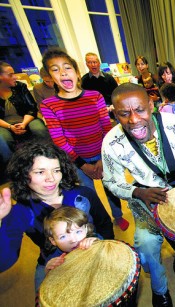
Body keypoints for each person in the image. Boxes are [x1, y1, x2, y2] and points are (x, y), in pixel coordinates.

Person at [101, 83, 175, 307]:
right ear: (114, 113)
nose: (133, 120)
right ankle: (160, 290)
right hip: (144, 199)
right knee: (146, 247)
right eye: (123, 113)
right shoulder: (111, 142)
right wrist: (137, 191)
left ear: (151, 105)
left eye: (140, 110)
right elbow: (110, 181)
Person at [0, 142, 114, 290]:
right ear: (23, 174)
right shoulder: (21, 212)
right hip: (52, 262)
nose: (51, 178)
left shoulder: (83, 194)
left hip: (93, 250)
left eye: (56, 170)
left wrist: (103, 245)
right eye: (40, 172)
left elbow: (104, 223)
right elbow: (4, 262)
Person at [40, 48, 129, 231]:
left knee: (111, 188)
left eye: (67, 67)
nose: (63, 72)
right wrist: (83, 165)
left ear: (77, 72)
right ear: (49, 78)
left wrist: (102, 160)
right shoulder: (49, 105)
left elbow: (106, 128)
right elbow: (59, 140)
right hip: (75, 161)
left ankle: (117, 216)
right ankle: (94, 225)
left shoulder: (94, 97)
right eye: (55, 69)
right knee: (86, 195)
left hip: (102, 155)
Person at [0, 61, 50, 179]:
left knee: (39, 129)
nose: (15, 76)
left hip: (26, 119)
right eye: (10, 74)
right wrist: (10, 127)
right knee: (3, 140)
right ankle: (14, 169)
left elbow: (32, 108)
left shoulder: (20, 87)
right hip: (4, 124)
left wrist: (23, 123)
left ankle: (47, 158)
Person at [43, 206, 99, 274]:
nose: (73, 240)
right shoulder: (55, 258)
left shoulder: (93, 240)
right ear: (53, 241)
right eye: (63, 237)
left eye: (78, 232)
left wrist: (97, 243)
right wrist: (48, 270)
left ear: (86, 229)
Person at [81, 52, 119, 117]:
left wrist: (113, 105)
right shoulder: (84, 80)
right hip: (94, 111)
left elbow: (117, 93)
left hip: (111, 108)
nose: (93, 65)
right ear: (86, 64)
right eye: (90, 62)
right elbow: (83, 100)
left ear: (99, 63)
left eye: (95, 62)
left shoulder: (109, 78)